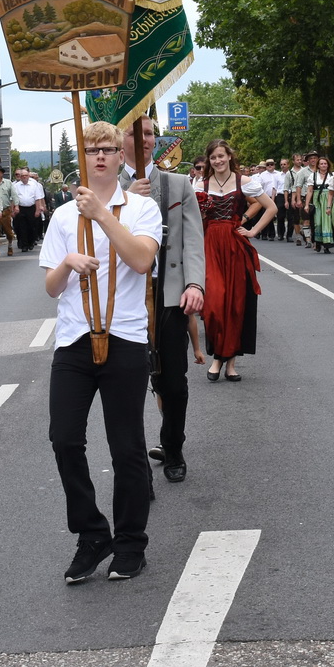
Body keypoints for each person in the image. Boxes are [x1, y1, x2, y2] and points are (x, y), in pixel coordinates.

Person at [42, 121, 164, 583]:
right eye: (91, 149)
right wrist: (67, 263)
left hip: (126, 338)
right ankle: (92, 534)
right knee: (64, 439)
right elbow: (51, 289)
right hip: (74, 339)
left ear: (120, 157)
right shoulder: (61, 217)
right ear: (83, 157)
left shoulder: (142, 208)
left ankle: (132, 542)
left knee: (127, 446)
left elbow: (141, 260)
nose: (99, 156)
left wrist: (102, 214)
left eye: (108, 149)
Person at [123, 115, 206, 484]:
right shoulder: (103, 186)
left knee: (174, 383)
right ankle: (134, 463)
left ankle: (173, 446)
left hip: (169, 296)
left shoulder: (178, 184)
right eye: (135, 133)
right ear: (118, 139)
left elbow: (192, 240)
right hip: (124, 300)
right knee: (126, 386)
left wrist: (195, 285)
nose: (144, 140)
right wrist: (125, 204)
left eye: (149, 133)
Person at [197, 139, 276, 381]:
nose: (218, 161)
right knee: (214, 303)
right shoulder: (201, 184)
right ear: (209, 161)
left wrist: (251, 231)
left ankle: (226, 362)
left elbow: (271, 208)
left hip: (234, 246)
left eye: (221, 156)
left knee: (235, 304)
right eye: (213, 158)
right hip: (209, 245)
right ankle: (221, 357)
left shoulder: (245, 182)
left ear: (229, 156)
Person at [13, 165, 47, 253]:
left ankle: (31, 242)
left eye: (26, 176)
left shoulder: (34, 185)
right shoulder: (16, 186)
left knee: (32, 227)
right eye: (22, 176)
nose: (24, 177)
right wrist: (15, 207)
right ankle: (24, 245)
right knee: (22, 227)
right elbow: (14, 198)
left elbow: (38, 198)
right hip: (21, 208)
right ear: (20, 177)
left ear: (28, 176)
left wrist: (38, 210)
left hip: (31, 208)